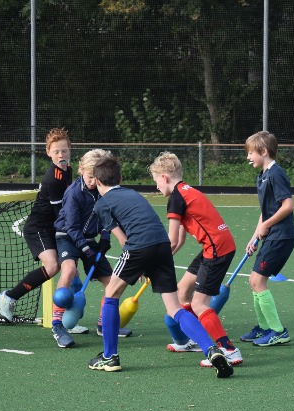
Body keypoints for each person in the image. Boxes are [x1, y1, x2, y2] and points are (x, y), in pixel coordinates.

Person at [88, 155, 233, 378]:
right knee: (175, 308)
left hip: (138, 247)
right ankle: (212, 349)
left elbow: (124, 241)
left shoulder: (102, 204)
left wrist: (137, 265)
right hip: (163, 247)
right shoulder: (133, 193)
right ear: (121, 178)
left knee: (111, 294)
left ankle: (109, 357)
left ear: (97, 181)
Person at [149, 152, 243, 368]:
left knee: (199, 304)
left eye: (156, 181)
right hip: (216, 246)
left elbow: (172, 240)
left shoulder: (175, 198)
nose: (156, 187)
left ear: (164, 177)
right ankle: (191, 340)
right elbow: (180, 241)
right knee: (182, 290)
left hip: (216, 249)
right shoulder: (187, 191)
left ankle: (229, 349)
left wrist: (153, 265)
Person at [0, 128, 88, 336]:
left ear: (70, 150)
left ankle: (68, 319)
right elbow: (60, 213)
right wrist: (76, 234)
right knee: (54, 266)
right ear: (48, 153)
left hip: (55, 225)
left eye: (64, 151)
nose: (61, 155)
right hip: (39, 227)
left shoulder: (68, 169)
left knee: (71, 270)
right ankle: (9, 297)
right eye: (56, 152)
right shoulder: (52, 178)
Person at [51, 149, 133, 347]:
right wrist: (86, 250)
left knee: (112, 282)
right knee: (69, 270)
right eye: (89, 177)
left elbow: (107, 216)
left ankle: (104, 324)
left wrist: (105, 236)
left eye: (96, 178)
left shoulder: (102, 190)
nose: (93, 182)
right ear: (80, 170)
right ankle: (57, 326)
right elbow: (71, 227)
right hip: (67, 237)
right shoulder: (73, 193)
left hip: (88, 239)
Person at [240, 131, 294, 347]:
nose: (248, 157)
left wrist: (266, 226)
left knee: (257, 281)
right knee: (254, 281)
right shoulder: (262, 176)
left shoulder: (276, 174)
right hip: (272, 235)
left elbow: (287, 205)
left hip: (281, 236)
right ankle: (264, 328)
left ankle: (278, 331)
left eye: (251, 153)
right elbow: (265, 212)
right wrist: (254, 236)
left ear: (263, 151)